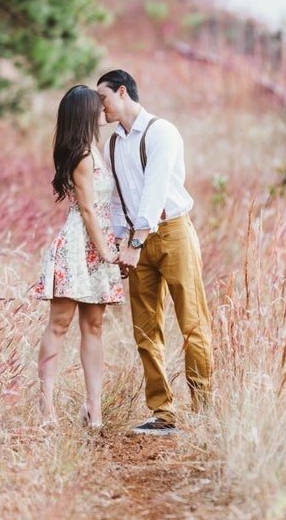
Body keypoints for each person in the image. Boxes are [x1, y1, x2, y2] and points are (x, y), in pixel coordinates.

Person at [96, 69, 213, 436]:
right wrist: (120, 243)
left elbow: (155, 190)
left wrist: (135, 243)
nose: (100, 107)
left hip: (172, 232)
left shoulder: (161, 131)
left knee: (192, 322)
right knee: (145, 328)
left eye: (103, 98)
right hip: (135, 242)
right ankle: (163, 413)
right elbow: (116, 200)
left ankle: (204, 411)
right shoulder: (112, 144)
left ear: (121, 92)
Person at [32, 85, 124, 430]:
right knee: (59, 324)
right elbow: (86, 208)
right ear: (84, 114)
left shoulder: (96, 149)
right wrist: (105, 252)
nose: (103, 109)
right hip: (78, 245)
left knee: (94, 326)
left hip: (97, 243)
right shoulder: (83, 155)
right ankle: (47, 410)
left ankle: (93, 409)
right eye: (96, 105)